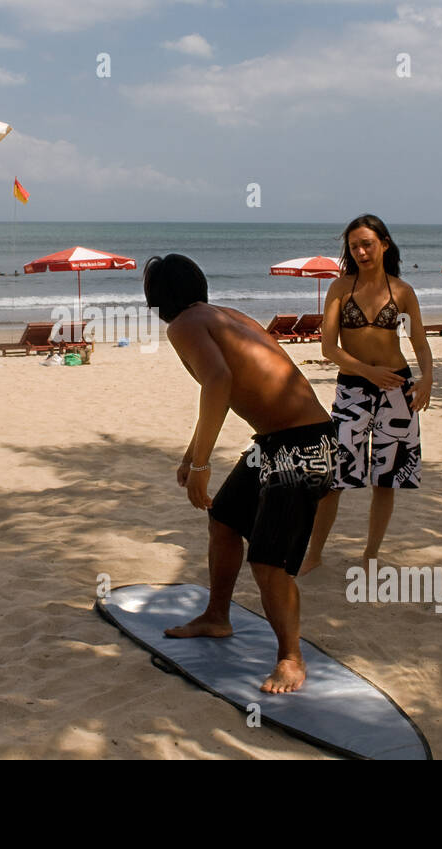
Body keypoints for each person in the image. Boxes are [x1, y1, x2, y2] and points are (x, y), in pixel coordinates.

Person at [145, 254, 338, 694]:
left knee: (269, 563)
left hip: (301, 447)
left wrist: (201, 465)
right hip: (283, 441)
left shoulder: (183, 326)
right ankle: (217, 616)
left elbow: (219, 382)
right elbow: (235, 385)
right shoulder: (227, 315)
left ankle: (291, 659)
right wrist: (191, 453)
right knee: (225, 520)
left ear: (157, 296)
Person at [299, 214, 432, 575]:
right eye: (354, 246)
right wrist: (367, 371)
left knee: (385, 479)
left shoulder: (402, 291)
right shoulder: (341, 288)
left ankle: (370, 555)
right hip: (353, 390)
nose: (360, 251)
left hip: (398, 390)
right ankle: (314, 553)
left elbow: (418, 341)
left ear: (384, 244)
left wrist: (428, 378)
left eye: (367, 244)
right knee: (334, 478)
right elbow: (329, 347)